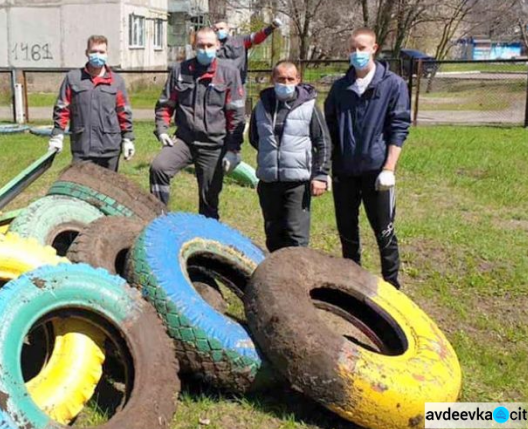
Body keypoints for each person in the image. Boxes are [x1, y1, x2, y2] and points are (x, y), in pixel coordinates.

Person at [324, 27, 411, 289]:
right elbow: (327, 132)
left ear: (374, 48)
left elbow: (399, 127)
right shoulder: (340, 88)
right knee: (348, 233)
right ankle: (353, 284)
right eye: (352, 48)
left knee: (384, 232)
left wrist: (389, 168)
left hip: (376, 174)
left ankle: (392, 286)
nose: (357, 53)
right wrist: (325, 169)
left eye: (362, 48)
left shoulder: (393, 85)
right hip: (345, 172)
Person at [150, 27, 245, 219]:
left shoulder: (229, 73)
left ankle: (208, 237)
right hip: (185, 141)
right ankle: (158, 217)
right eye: (200, 45)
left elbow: (236, 115)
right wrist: (162, 130)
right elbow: (165, 105)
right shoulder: (180, 71)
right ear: (194, 46)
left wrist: (233, 150)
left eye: (209, 45)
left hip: (214, 145)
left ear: (218, 46)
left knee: (209, 198)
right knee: (159, 167)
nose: (205, 49)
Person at [249, 61, 331, 252]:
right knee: (273, 234)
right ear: (272, 79)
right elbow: (255, 138)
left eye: (290, 79)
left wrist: (320, 175)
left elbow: (323, 142)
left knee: (296, 236)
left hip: (297, 184)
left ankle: (298, 278)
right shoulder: (261, 106)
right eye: (280, 79)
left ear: (298, 80)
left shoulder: (309, 107)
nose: (285, 83)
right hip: (269, 182)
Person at [49, 35, 135, 171]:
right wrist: (57, 135)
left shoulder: (116, 81)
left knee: (108, 189)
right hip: (82, 147)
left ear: (107, 54)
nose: (97, 55)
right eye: (93, 51)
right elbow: (62, 107)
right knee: (81, 189)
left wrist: (127, 138)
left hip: (110, 147)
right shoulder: (73, 78)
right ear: (86, 53)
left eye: (101, 52)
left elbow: (123, 111)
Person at [214, 18, 282, 84]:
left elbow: (257, 38)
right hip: (217, 83)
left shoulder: (240, 41)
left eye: (221, 28)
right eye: (216, 29)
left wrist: (271, 27)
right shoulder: (209, 44)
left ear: (228, 29)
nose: (219, 31)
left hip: (237, 84)